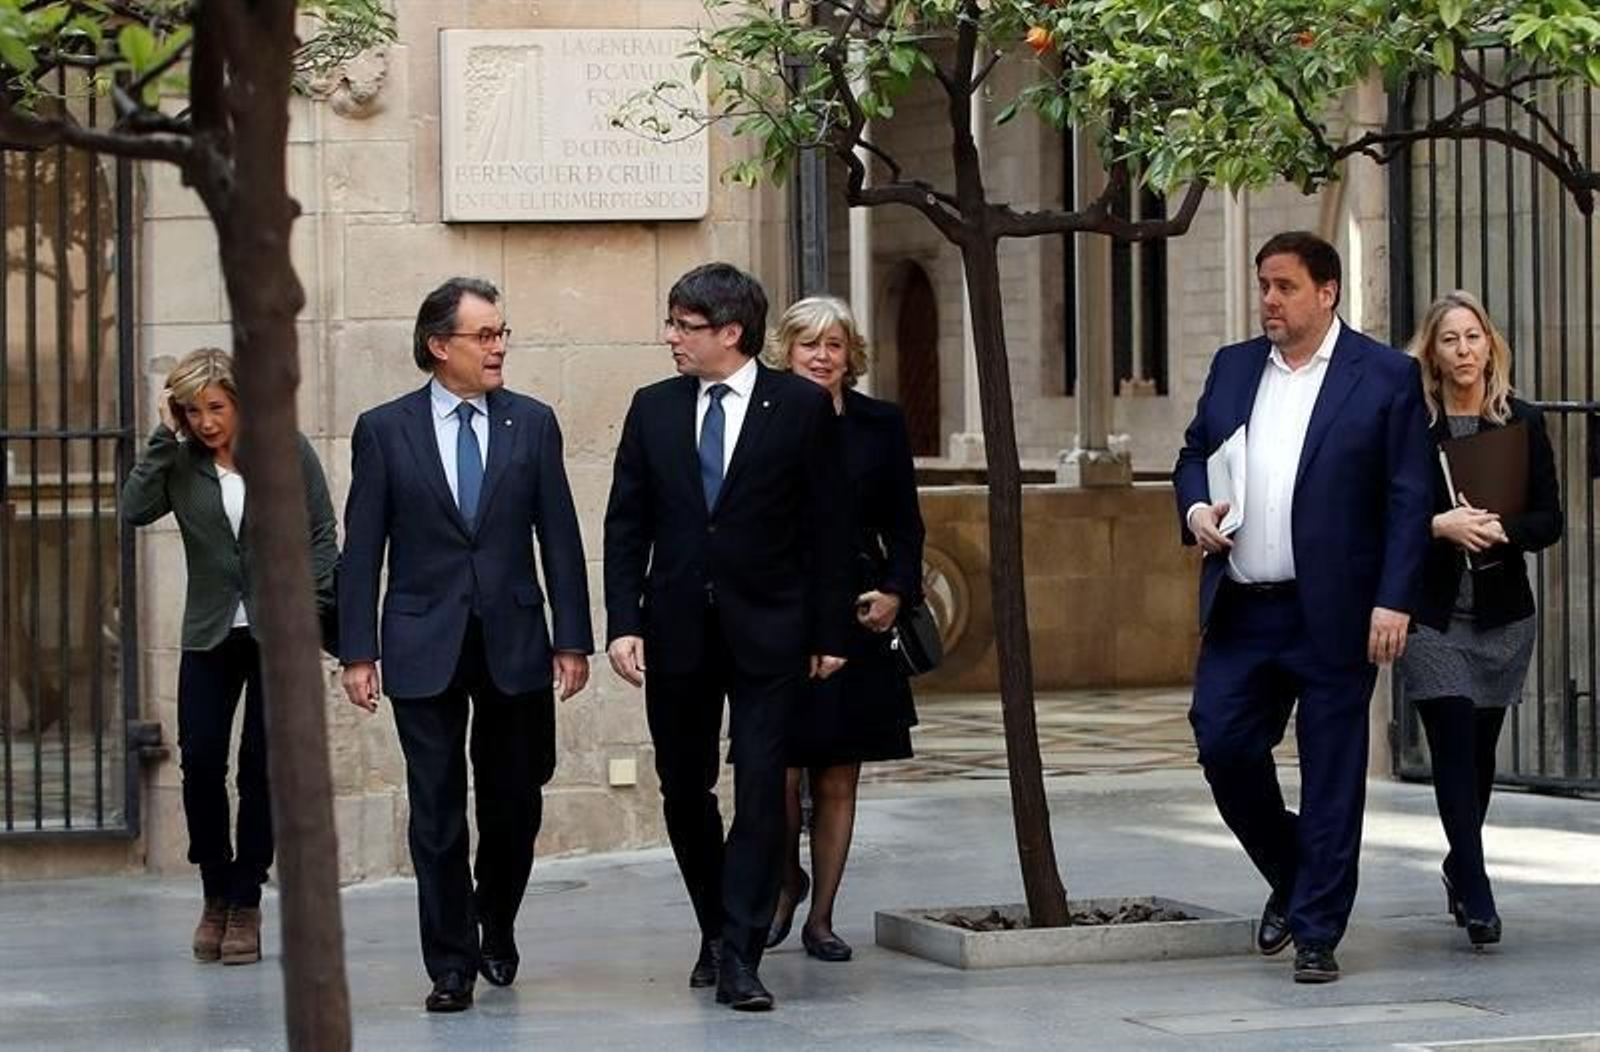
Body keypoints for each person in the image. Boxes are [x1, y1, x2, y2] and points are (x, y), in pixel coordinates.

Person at [1173, 231, 1433, 984]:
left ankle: (1317, 933)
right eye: (1263, 285)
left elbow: (1410, 498)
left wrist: (1394, 600)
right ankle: (1294, 872)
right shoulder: (1233, 367)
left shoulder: (1384, 376)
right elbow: (1193, 455)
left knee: (1332, 775)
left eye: (1284, 286)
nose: (1269, 300)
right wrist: (1196, 510)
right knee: (1222, 744)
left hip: (1338, 613)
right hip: (1243, 608)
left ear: (1328, 292)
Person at [338, 277, 593, 1013]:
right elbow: (363, 550)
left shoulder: (532, 423)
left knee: (515, 801)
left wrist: (572, 640)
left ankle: (495, 919)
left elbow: (560, 537)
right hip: (423, 642)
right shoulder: (384, 429)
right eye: (485, 335)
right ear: (438, 345)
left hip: (514, 638)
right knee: (436, 808)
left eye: (502, 333)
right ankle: (451, 963)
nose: (499, 347)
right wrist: (358, 653)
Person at [603, 263, 853, 1011]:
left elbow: (830, 527)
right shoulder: (652, 408)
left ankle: (742, 953)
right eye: (673, 323)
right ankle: (715, 926)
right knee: (685, 787)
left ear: (731, 332)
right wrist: (623, 622)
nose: (670, 337)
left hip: (770, 630)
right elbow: (626, 525)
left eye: (685, 326)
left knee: (764, 788)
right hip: (676, 629)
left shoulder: (800, 407)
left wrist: (830, 629)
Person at [122, 348, 338, 967]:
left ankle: (246, 900)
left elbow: (322, 535)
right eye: (192, 411)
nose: (207, 422)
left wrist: (309, 605)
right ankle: (214, 891)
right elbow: (134, 510)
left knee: (260, 769)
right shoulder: (180, 460)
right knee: (200, 763)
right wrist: (163, 439)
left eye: (215, 407)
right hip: (209, 633)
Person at [762, 296, 924, 963]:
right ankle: (785, 881)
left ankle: (822, 918)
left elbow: (906, 525)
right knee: (776, 774)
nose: (822, 356)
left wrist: (895, 593)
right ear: (787, 351)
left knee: (837, 776)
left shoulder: (879, 424)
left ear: (850, 354)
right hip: (777, 612)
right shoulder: (761, 417)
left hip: (857, 613)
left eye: (834, 344)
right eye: (810, 344)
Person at [1398, 290, 1562, 947]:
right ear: (1432, 355)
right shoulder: (1412, 425)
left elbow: (1549, 519)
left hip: (1501, 616)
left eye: (1473, 337)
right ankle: (1477, 883)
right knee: (1452, 741)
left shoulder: (1522, 420)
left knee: (1480, 754)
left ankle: (1457, 864)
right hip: (1432, 615)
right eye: (1450, 340)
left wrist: (1503, 529)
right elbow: (1381, 510)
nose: (1463, 350)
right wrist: (1438, 525)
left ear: (1490, 346)